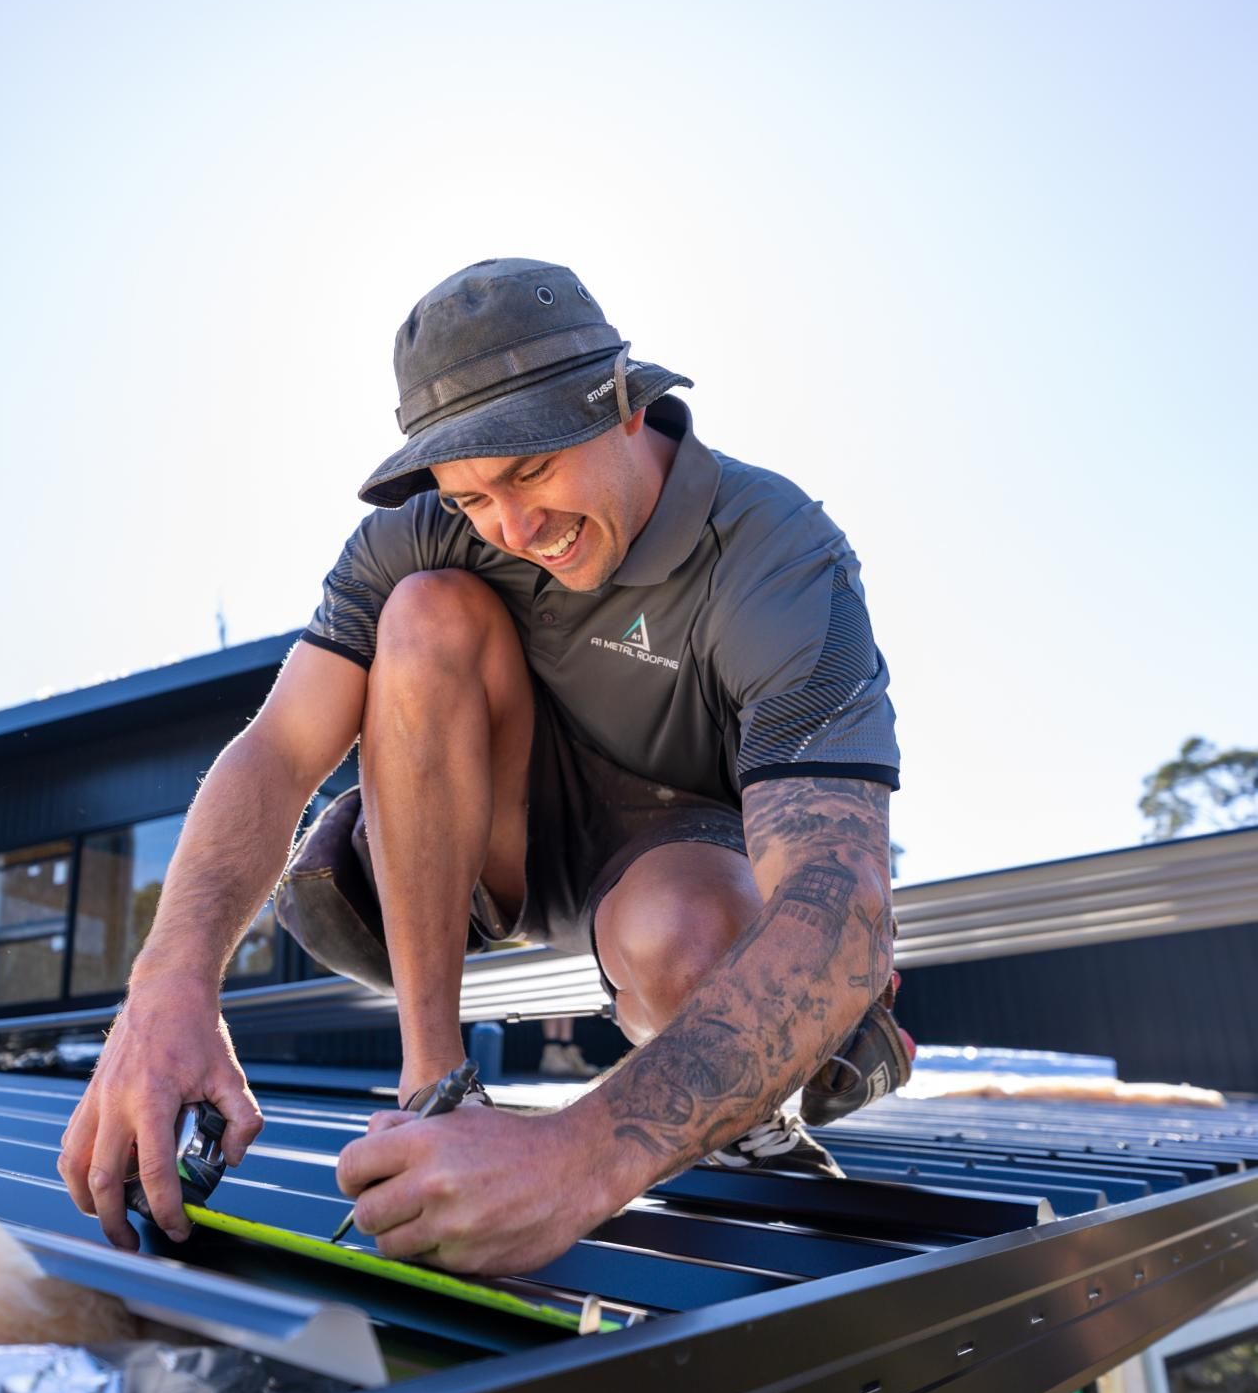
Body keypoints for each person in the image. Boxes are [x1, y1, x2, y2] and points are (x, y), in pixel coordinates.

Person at [59, 259, 910, 1274]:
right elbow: (281, 749)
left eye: (529, 473)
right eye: (471, 496)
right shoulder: (419, 534)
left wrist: (579, 1156)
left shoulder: (776, 553)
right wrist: (167, 985)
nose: (512, 528)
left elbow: (838, 895)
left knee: (700, 942)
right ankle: (435, 1086)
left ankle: (762, 1102)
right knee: (422, 610)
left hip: (674, 844)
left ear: (622, 406)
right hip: (497, 833)